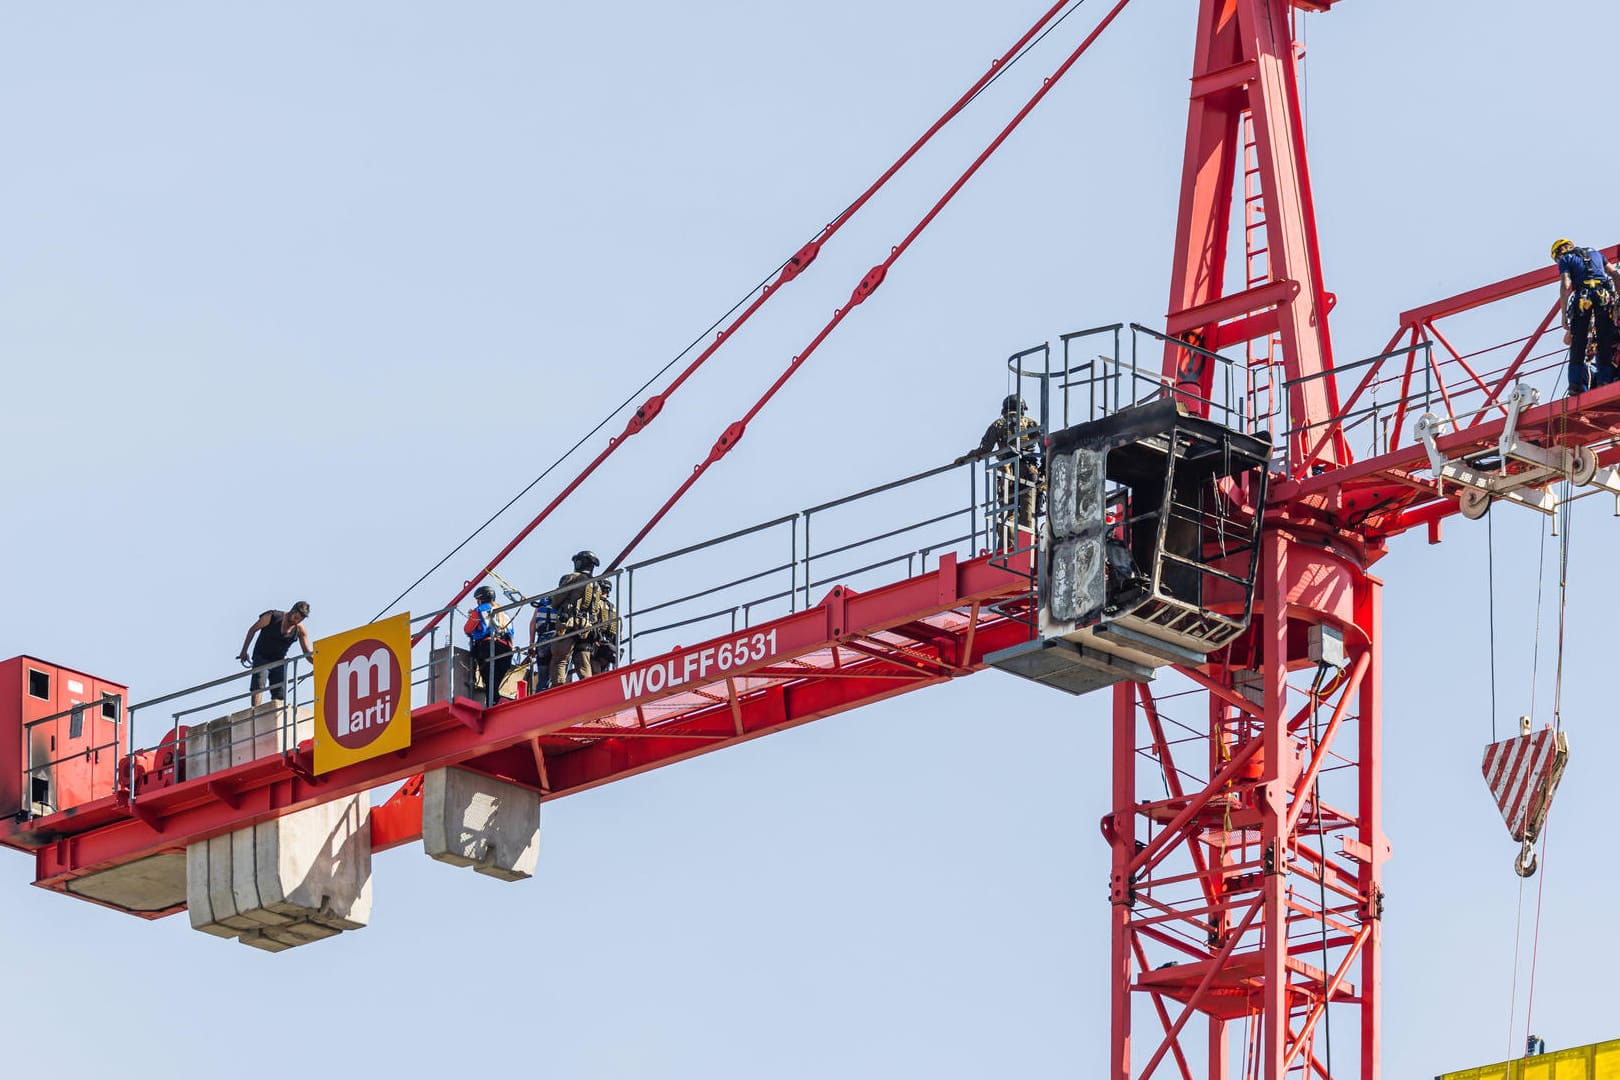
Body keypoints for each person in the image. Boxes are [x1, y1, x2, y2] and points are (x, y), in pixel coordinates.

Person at [954, 393, 1045, 548]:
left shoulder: (998, 424)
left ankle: (1007, 548)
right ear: (1022, 409)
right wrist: (1043, 473)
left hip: (1007, 473)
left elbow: (985, 449)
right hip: (1030, 472)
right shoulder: (1031, 424)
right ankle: (1030, 545)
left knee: (1007, 512)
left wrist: (966, 457)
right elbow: (1046, 448)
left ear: (1004, 409)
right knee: (1028, 513)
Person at [1552, 238, 1620, 395]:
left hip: (1583, 299)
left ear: (1558, 253)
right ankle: (1604, 381)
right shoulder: (1596, 254)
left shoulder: (1566, 259)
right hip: (1603, 297)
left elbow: (1566, 284)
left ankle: (1575, 385)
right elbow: (1615, 275)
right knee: (1604, 340)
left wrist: (1563, 314)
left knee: (1578, 344)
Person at [237, 601, 313, 707]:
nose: (296, 621)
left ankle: (277, 715)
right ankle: (255, 712)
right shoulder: (272, 616)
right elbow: (252, 630)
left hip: (278, 661)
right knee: (259, 685)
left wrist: (316, 663)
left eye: (299, 620)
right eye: (296, 617)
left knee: (279, 692)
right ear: (292, 611)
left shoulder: (300, 630)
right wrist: (243, 652)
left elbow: (307, 652)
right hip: (262, 657)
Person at [547, 550, 602, 688]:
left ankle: (557, 690)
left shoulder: (573, 577)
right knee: (583, 661)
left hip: (569, 625)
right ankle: (588, 688)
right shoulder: (596, 585)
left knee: (560, 659)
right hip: (586, 628)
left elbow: (556, 600)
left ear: (579, 562)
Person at [464, 585, 514, 707]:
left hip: (488, 646)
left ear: (480, 599)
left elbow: (467, 629)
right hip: (506, 649)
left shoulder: (479, 610)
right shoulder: (504, 611)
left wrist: (472, 616)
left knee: (488, 677)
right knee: (496, 679)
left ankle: (493, 702)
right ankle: (496, 700)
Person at [589, 579, 621, 674]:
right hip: (609, 647)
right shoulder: (613, 608)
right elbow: (619, 630)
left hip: (597, 645)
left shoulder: (596, 604)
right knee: (604, 674)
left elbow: (592, 621)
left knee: (593, 674)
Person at [527, 595, 558, 693]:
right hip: (557, 639)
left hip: (542, 641)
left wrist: (532, 644)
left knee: (543, 677)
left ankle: (540, 696)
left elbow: (533, 623)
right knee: (558, 674)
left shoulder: (542, 602)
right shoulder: (563, 599)